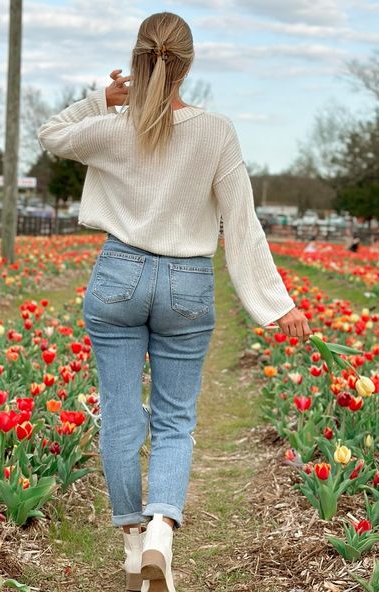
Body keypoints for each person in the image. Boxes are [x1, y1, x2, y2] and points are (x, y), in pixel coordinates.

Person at [38, 11, 311, 592]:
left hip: (118, 274)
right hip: (188, 281)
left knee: (120, 415)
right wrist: (276, 305)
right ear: (187, 64)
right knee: (174, 419)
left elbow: (51, 136)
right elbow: (242, 225)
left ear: (137, 61)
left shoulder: (113, 126)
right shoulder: (216, 132)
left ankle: (135, 547)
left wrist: (98, 100)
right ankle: (163, 528)